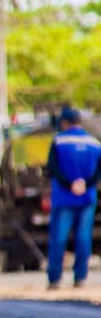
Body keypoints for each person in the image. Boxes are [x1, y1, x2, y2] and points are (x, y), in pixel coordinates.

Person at [45, 107, 101, 290]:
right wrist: (85, 184)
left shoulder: (59, 141)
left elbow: (52, 168)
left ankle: (54, 279)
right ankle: (80, 278)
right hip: (87, 197)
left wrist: (70, 185)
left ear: (64, 122)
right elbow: (99, 171)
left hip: (64, 199)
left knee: (59, 239)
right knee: (84, 239)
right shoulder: (94, 143)